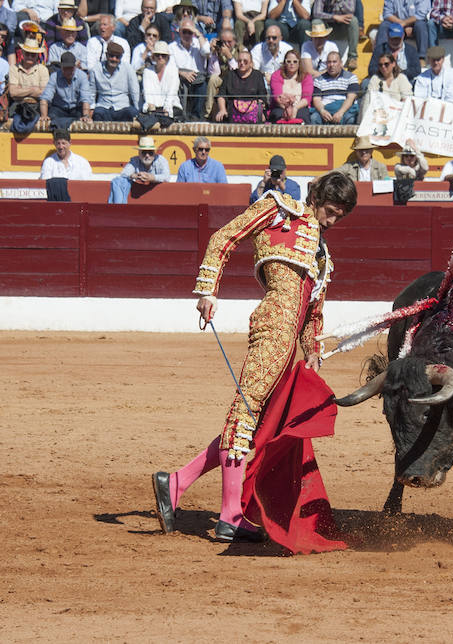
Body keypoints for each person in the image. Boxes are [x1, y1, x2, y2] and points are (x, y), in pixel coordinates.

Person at [152, 171, 357, 551]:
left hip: (290, 342)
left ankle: (177, 482)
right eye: (331, 211)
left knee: (258, 423)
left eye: (340, 217)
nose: (332, 221)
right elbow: (223, 238)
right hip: (271, 327)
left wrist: (313, 348)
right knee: (245, 414)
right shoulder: (279, 209)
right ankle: (229, 516)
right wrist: (208, 291)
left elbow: (314, 312)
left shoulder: (324, 257)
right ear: (317, 197)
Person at [108, 135, 171, 203]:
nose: (147, 156)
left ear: (154, 153)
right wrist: (135, 176)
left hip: (159, 198)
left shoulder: (161, 160)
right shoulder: (135, 160)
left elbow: (166, 176)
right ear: (139, 153)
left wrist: (152, 177)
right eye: (144, 152)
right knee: (119, 181)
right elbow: (124, 173)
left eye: (150, 152)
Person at [88, 41, 140, 121]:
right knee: (98, 114)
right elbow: (92, 91)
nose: (114, 59)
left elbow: (134, 90)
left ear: (121, 57)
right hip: (104, 106)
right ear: (106, 55)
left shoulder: (128, 68)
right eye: (111, 56)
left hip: (123, 107)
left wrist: (137, 109)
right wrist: (91, 108)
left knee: (132, 113)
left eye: (117, 57)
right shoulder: (96, 69)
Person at [170, 17, 209, 121]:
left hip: (198, 77)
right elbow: (169, 67)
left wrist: (199, 34)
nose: (187, 35)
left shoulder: (198, 43)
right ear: (179, 31)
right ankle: (180, 115)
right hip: (180, 77)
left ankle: (196, 117)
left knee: (202, 85)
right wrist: (182, 73)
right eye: (184, 32)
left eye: (189, 32)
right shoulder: (172, 47)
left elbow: (206, 52)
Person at [39, 51, 91, 128]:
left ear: (75, 67)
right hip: (59, 109)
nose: (68, 71)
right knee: (51, 117)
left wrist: (86, 116)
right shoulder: (54, 76)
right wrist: (44, 116)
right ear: (61, 67)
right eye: (66, 68)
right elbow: (45, 98)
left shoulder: (82, 76)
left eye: (71, 68)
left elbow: (85, 98)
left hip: (76, 109)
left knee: (82, 119)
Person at [214, 48, 267, 122]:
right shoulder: (230, 75)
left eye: (245, 61)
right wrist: (222, 110)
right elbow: (221, 95)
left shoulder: (257, 75)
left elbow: (262, 96)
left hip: (253, 113)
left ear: (251, 63)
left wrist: (260, 112)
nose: (242, 63)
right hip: (232, 113)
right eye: (239, 61)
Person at [139, 40, 182, 129]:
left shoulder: (173, 71)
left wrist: (166, 109)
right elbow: (147, 93)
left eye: (163, 55)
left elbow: (172, 93)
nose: (160, 57)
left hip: (171, 107)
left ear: (167, 58)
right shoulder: (147, 71)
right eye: (158, 55)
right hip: (153, 108)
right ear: (153, 57)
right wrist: (151, 107)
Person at [9, 36, 51, 125]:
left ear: (37, 55)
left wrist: (21, 90)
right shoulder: (14, 68)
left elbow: (44, 93)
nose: (30, 57)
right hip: (18, 105)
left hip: (37, 106)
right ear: (22, 53)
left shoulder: (43, 69)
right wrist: (33, 90)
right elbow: (13, 93)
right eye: (27, 54)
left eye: (33, 54)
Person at [309, 49, 359, 124]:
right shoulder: (318, 80)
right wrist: (322, 111)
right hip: (325, 110)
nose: (331, 65)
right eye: (329, 62)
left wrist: (340, 113)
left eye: (334, 62)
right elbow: (316, 99)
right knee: (314, 118)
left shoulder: (351, 77)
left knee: (350, 119)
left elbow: (350, 99)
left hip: (344, 110)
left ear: (341, 63)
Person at [312, 0, 359, 70]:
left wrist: (338, 2)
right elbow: (316, 13)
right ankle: (315, 54)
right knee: (316, 22)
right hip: (327, 25)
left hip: (343, 27)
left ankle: (352, 57)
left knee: (353, 20)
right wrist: (334, 17)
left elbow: (351, 11)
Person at [270, 49, 312, 122]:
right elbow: (277, 97)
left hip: (300, 107)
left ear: (299, 63)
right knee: (278, 115)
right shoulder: (276, 75)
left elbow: (307, 99)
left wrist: (295, 108)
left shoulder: (306, 77)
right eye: (288, 61)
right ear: (284, 63)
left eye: (295, 62)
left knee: (304, 116)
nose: (292, 64)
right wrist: (287, 108)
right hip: (281, 107)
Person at [204, 27, 237, 117]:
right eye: (223, 42)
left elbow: (237, 72)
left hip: (235, 80)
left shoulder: (241, 50)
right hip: (221, 78)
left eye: (229, 42)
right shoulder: (216, 51)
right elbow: (213, 72)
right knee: (213, 78)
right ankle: (208, 113)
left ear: (234, 41)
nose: (226, 45)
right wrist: (214, 53)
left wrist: (229, 56)